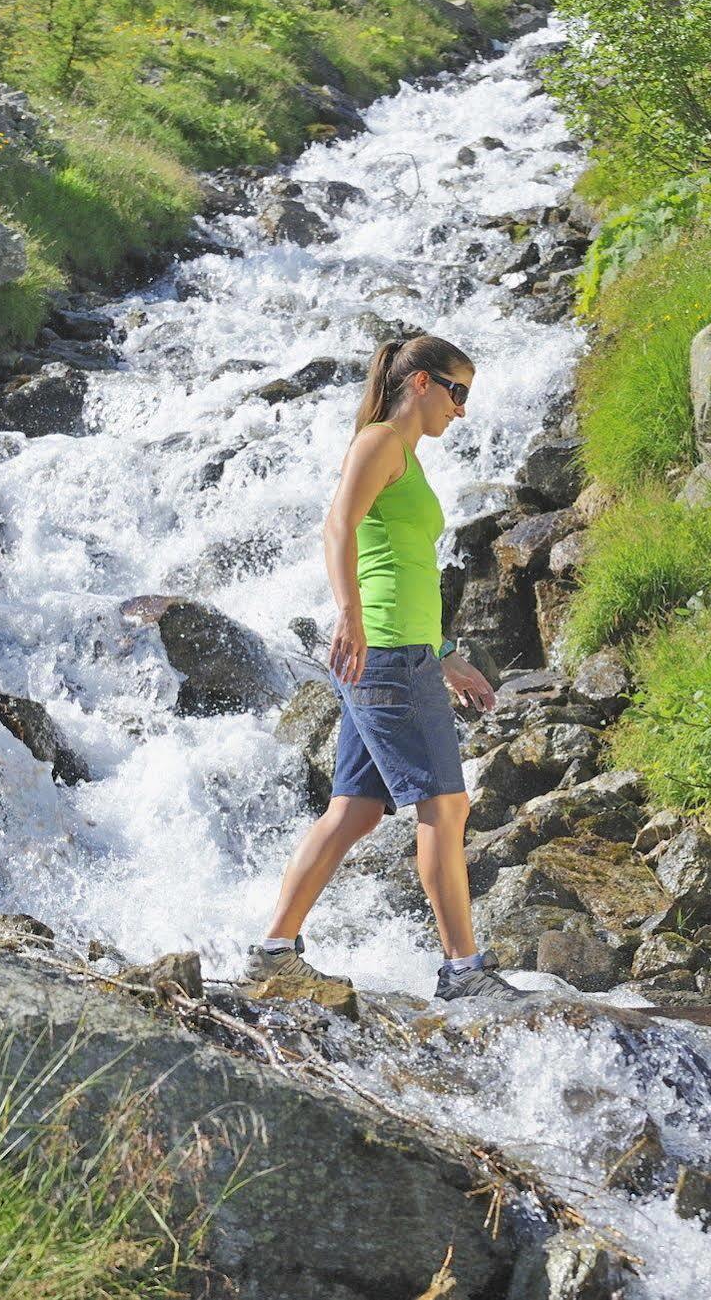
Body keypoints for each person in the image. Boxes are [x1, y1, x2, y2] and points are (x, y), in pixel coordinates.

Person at [247, 335, 527, 1002]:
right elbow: (337, 527)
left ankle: (272, 953)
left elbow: (404, 568)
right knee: (445, 803)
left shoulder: (407, 458)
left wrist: (446, 652)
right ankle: (464, 970)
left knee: (354, 811)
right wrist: (348, 613)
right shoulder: (377, 443)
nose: (462, 410)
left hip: (404, 651)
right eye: (457, 391)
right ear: (423, 383)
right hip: (384, 655)